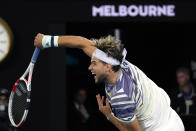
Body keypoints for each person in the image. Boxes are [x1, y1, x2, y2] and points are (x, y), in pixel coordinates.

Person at [34, 33, 184, 131]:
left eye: (94, 64)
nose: (89, 67)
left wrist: (109, 115)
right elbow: (83, 43)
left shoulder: (121, 97)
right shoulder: (118, 60)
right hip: (170, 116)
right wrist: (47, 41)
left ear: (107, 67)